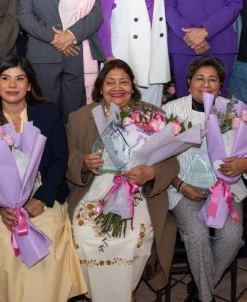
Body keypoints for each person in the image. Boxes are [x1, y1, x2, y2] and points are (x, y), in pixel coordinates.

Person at [0, 56, 86, 302]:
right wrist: (0, 208)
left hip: (42, 194)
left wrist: (41, 199)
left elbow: (59, 159)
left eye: (20, 79)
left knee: (46, 236)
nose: (13, 85)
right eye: (6, 78)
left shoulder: (47, 113)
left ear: (30, 85)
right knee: (5, 244)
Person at [66, 59, 179, 300]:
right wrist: (83, 162)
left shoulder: (153, 115)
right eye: (110, 82)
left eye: (123, 82)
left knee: (132, 238)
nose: (117, 88)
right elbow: (68, 155)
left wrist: (150, 173)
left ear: (132, 86)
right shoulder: (80, 117)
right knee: (84, 236)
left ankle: (126, 293)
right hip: (94, 188)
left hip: (138, 191)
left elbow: (172, 163)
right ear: (100, 87)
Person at [164, 56, 247, 302]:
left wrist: (246, 163)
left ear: (220, 85)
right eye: (200, 79)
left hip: (225, 189)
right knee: (197, 235)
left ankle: (200, 288)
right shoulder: (171, 111)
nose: (206, 85)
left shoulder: (233, 110)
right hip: (185, 188)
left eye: (212, 80)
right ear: (188, 82)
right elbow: (159, 159)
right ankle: (206, 298)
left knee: (232, 238)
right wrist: (180, 185)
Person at [18, 0, 104, 117]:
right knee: (45, 115)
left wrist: (71, 35)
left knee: (74, 115)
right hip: (43, 56)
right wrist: (56, 38)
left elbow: (97, 13)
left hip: (76, 54)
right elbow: (24, 15)